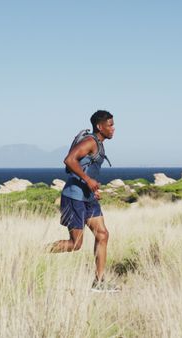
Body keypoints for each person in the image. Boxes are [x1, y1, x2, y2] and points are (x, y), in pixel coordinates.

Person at [48, 110, 120, 293]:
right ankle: (35, 253)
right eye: (110, 125)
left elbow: (88, 169)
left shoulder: (100, 144)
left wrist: (92, 188)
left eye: (113, 124)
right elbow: (69, 160)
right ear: (99, 126)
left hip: (88, 197)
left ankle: (99, 282)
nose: (113, 128)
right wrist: (88, 181)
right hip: (74, 197)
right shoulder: (89, 142)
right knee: (75, 244)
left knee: (102, 235)